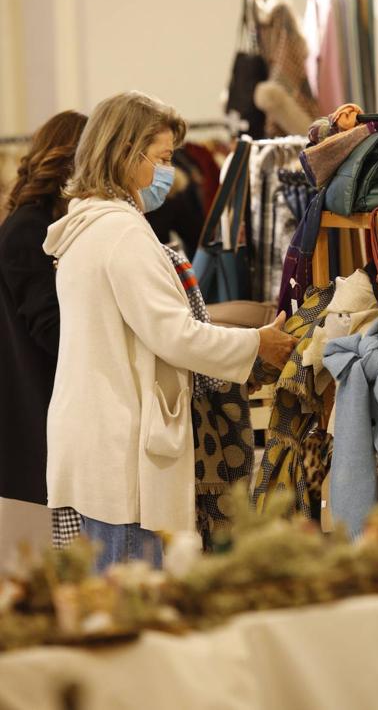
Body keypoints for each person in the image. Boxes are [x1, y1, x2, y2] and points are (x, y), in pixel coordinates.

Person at [43, 92, 296, 570]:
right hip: (119, 444)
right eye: (161, 158)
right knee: (134, 595)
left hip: (92, 434)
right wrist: (256, 343)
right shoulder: (122, 234)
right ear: (126, 153)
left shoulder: (84, 227)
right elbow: (175, 335)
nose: (168, 171)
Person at [0, 111, 88, 523]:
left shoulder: (57, 221)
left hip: (63, 392)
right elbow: (49, 328)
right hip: (46, 394)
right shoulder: (28, 227)